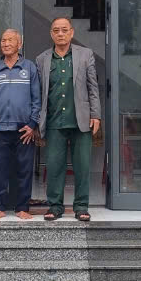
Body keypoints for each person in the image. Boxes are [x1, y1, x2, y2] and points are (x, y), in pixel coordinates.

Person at [37, 17, 101, 222]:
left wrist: (96, 114)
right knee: (54, 166)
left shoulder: (85, 55)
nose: (60, 34)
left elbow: (93, 87)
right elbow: (39, 92)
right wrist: (37, 120)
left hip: (81, 120)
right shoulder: (42, 59)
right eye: (56, 30)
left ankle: (81, 206)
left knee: (82, 166)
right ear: (51, 34)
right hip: (54, 121)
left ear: (72, 32)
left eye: (64, 30)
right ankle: (54, 206)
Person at [0, 28, 41, 220]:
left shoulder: (29, 67)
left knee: (24, 170)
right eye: (3, 40)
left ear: (20, 44)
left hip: (24, 129)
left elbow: (37, 98)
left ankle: (22, 207)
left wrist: (32, 124)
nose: (6, 44)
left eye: (10, 40)